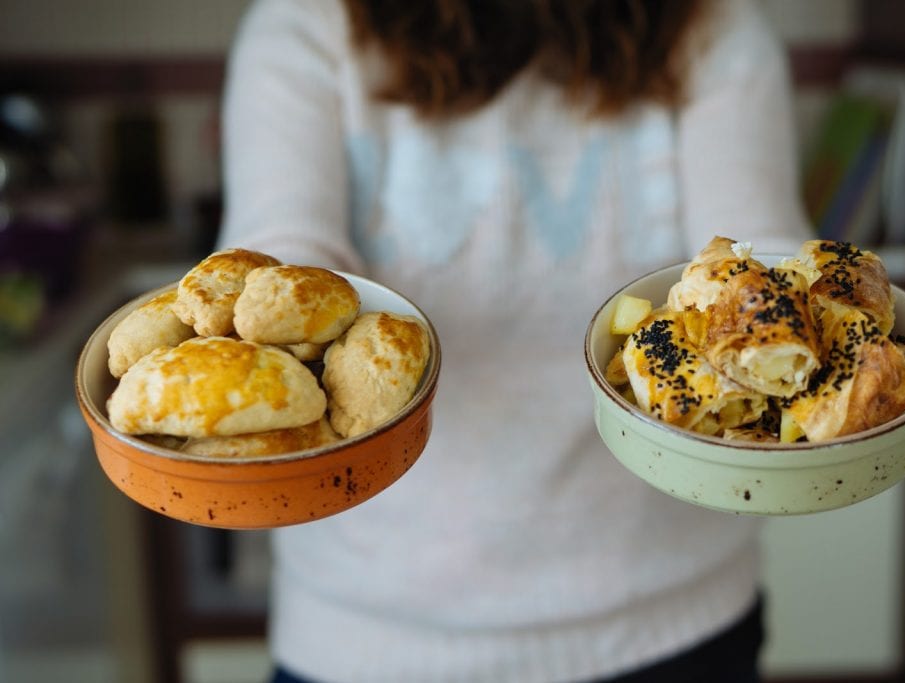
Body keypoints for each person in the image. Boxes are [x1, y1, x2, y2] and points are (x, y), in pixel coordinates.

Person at [217, 0, 813, 680]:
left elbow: (755, 267)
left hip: (671, 616)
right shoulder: (305, 22)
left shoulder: (710, 24)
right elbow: (276, 271)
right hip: (368, 637)